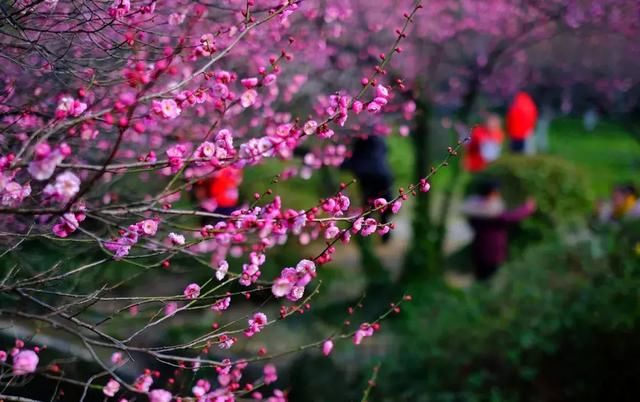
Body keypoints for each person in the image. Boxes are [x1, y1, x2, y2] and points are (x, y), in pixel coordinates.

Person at [462, 179, 536, 280]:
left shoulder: (475, 209)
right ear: (492, 193)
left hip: (478, 250)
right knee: (490, 279)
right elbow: (511, 217)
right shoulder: (491, 212)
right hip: (493, 253)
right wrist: (527, 208)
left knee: (480, 277)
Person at [341, 135, 394, 242]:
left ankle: (367, 235)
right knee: (383, 206)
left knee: (368, 207)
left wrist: (340, 163)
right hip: (384, 175)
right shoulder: (380, 138)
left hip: (368, 177)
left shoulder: (361, 140)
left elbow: (354, 160)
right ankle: (382, 235)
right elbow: (386, 151)